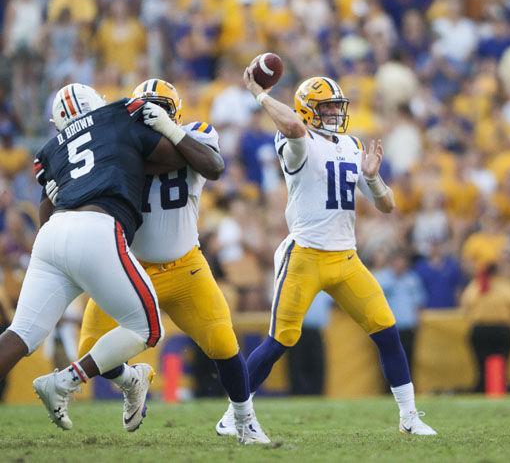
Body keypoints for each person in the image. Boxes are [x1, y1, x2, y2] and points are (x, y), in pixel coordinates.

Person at [216, 65, 436, 436]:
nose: (335, 114)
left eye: (337, 107)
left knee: (386, 330)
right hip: (305, 254)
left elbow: (388, 206)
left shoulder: (350, 145)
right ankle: (233, 415)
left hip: (346, 257)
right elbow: (293, 127)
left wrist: (371, 178)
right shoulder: (296, 140)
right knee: (280, 340)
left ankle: (409, 418)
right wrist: (260, 94)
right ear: (306, 110)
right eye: (327, 108)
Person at [74, 79, 269, 444]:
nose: (153, 114)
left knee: (223, 343)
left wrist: (168, 131)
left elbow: (213, 166)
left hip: (184, 267)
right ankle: (134, 380)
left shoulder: (196, 134)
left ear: (174, 111)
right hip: (128, 267)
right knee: (89, 349)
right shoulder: (125, 146)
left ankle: (244, 420)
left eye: (161, 107)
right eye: (147, 107)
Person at [0, 82, 203, 430]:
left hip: (51, 236)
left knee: (21, 333)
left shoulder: (53, 149)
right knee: (149, 328)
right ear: (98, 103)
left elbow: (46, 213)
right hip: (97, 228)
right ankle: (64, 381)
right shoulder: (118, 116)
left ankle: (125, 380)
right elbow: (175, 157)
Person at [461, 261, 510, 393]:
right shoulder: (506, 286)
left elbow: (466, 304)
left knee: (481, 363)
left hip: (480, 329)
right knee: (503, 362)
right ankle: (500, 386)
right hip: (502, 329)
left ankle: (482, 386)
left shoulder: (476, 285)